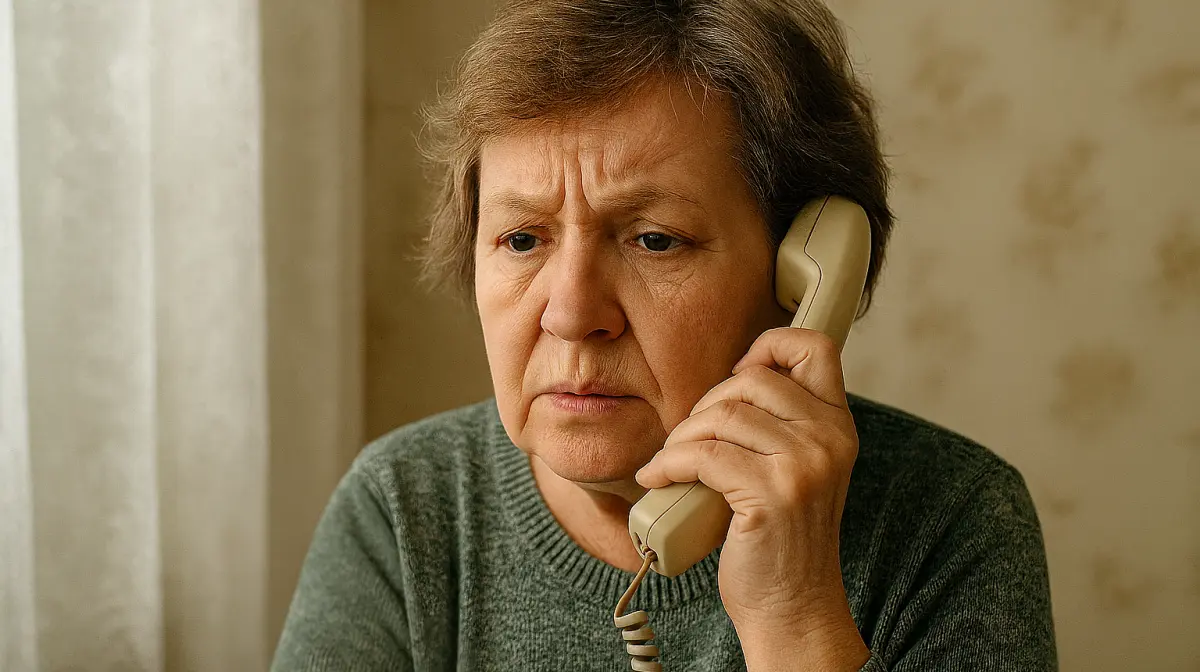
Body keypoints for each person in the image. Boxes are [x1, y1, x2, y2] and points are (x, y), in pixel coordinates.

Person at [271, 0, 1057, 670]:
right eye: (522, 239)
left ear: (800, 275)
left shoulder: (951, 517)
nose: (571, 313)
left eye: (654, 240)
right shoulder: (402, 509)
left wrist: (794, 616)